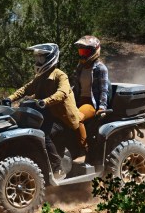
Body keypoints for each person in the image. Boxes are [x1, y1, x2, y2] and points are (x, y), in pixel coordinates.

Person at [6, 43, 82, 180]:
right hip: (47, 115)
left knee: (43, 134)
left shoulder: (60, 75)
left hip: (63, 118)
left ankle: (57, 168)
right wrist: (9, 99)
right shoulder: (40, 77)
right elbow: (26, 89)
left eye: (40, 59)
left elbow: (63, 92)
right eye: (37, 58)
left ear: (50, 58)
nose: (37, 62)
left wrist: (45, 101)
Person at [72, 35, 110, 151]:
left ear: (94, 51)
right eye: (81, 51)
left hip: (91, 104)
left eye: (85, 51)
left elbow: (104, 90)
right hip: (78, 101)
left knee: (77, 118)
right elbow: (75, 86)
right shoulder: (80, 67)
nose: (83, 54)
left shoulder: (100, 68)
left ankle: (84, 149)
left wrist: (102, 107)